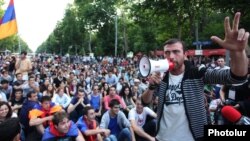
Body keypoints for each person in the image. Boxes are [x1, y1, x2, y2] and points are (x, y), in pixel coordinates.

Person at [141, 12, 249, 141]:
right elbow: (144, 101)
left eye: (176, 51)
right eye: (167, 52)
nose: (171, 56)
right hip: (162, 137)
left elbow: (236, 77)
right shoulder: (162, 76)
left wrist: (237, 52)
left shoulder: (197, 73)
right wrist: (151, 87)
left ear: (185, 54)